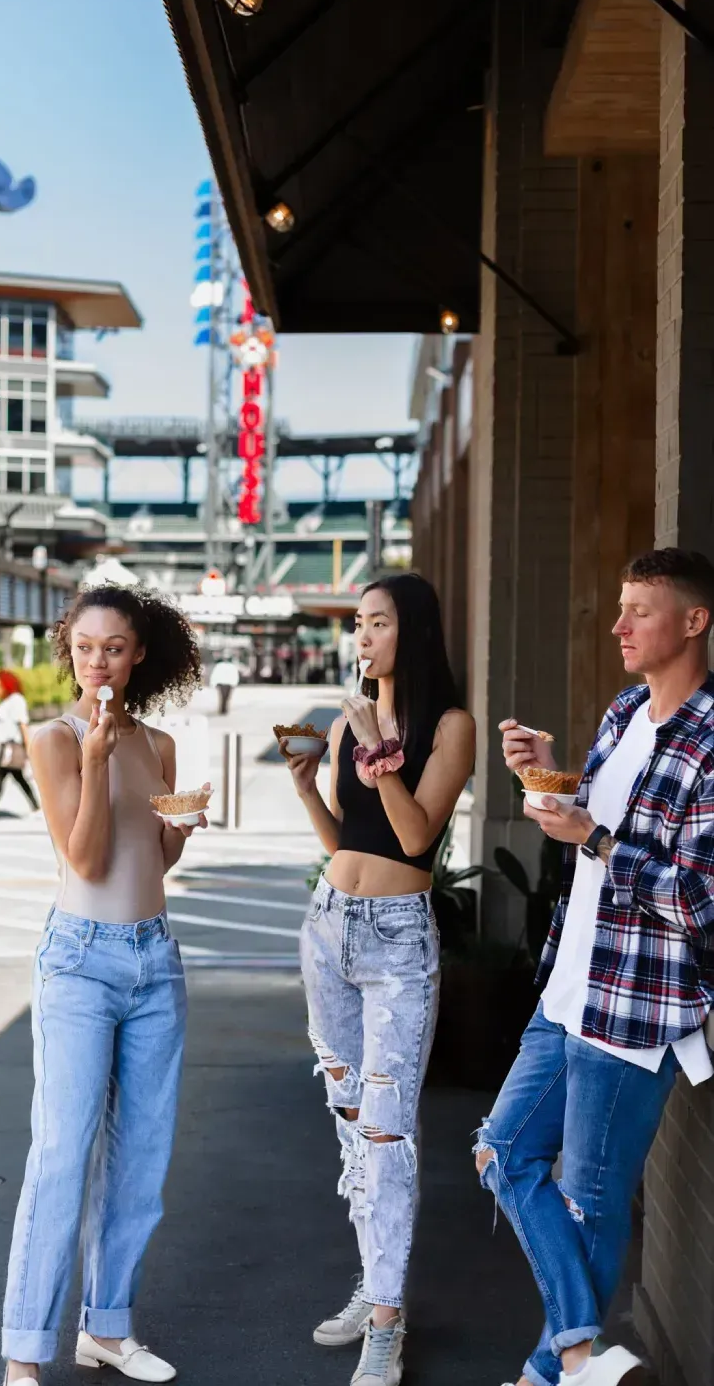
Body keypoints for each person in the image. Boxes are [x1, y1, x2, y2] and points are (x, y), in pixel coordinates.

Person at [479, 548, 714, 1386]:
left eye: (638, 611)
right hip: (568, 987)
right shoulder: (622, 713)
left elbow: (696, 899)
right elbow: (591, 823)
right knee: (500, 1153)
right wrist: (546, 775)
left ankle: (552, 1371)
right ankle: (580, 1355)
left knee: (591, 1200)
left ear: (692, 622)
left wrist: (598, 839)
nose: (616, 626)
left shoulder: (712, 742)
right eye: (618, 608)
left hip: (637, 1004)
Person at [1, 584, 204, 1385]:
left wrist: (177, 829)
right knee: (60, 1154)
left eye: (113, 647)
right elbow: (83, 861)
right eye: (84, 647)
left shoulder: (157, 743)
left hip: (155, 960)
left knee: (141, 1158)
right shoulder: (52, 738)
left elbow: (150, 863)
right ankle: (24, 1353)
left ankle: (107, 1329)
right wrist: (91, 755)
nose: (98, 662)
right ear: (69, 649)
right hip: (79, 962)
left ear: (139, 652)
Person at [281, 573, 475, 1386]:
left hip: (397, 941)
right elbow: (343, 837)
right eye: (358, 623)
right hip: (328, 928)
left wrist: (374, 754)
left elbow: (413, 834)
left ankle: (387, 1325)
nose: (362, 637)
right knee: (350, 1118)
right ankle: (375, 1283)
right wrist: (307, 782)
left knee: (389, 1133)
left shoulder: (450, 726)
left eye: (378, 622)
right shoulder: (339, 725)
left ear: (413, 632)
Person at [0, 670, 39, 816]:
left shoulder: (17, 700)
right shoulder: (5, 702)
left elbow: (23, 725)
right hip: (5, 746)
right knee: (16, 777)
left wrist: (29, 748)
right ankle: (35, 805)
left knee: (1, 777)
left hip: (12, 747)